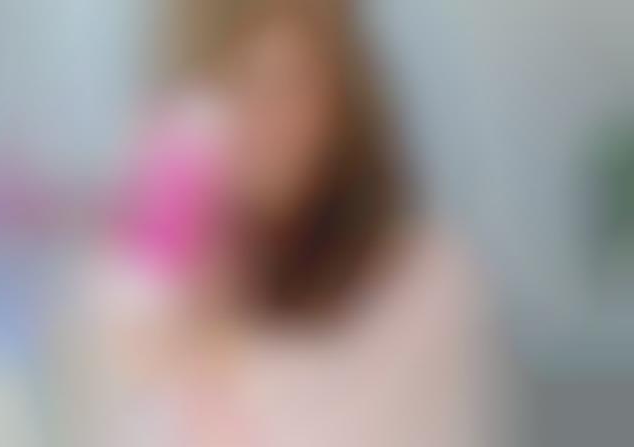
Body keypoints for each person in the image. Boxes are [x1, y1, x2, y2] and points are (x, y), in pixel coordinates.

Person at [65, 0, 486, 445]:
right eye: (235, 86)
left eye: (289, 85)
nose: (263, 125)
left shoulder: (424, 279)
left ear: (342, 91)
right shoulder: (129, 295)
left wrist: (221, 363)